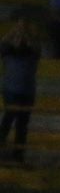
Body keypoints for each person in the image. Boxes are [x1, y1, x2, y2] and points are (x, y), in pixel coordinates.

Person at [1, 19, 42, 164]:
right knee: (8, 118)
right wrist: (14, 31)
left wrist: (25, 33)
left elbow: (36, 47)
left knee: (22, 124)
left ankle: (18, 155)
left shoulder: (32, 52)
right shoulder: (8, 50)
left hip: (27, 92)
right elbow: (4, 43)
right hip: (11, 90)